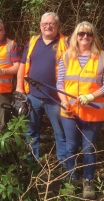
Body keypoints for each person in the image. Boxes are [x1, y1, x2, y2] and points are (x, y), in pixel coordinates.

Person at [56, 21, 104, 199]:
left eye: (88, 34)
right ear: (75, 36)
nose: (85, 37)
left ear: (93, 36)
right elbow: (60, 83)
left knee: (88, 148)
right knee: (71, 147)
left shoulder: (103, 57)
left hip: (93, 113)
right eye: (81, 34)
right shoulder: (65, 56)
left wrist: (91, 97)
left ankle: (88, 181)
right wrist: (64, 101)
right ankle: (71, 180)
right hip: (70, 112)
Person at [16, 12, 68, 164]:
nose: (48, 26)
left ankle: (64, 164)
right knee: (31, 131)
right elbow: (22, 65)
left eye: (51, 24)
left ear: (57, 26)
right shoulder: (32, 42)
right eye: (45, 24)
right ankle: (31, 163)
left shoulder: (66, 43)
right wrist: (19, 87)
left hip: (56, 98)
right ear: (40, 25)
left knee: (61, 133)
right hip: (33, 97)